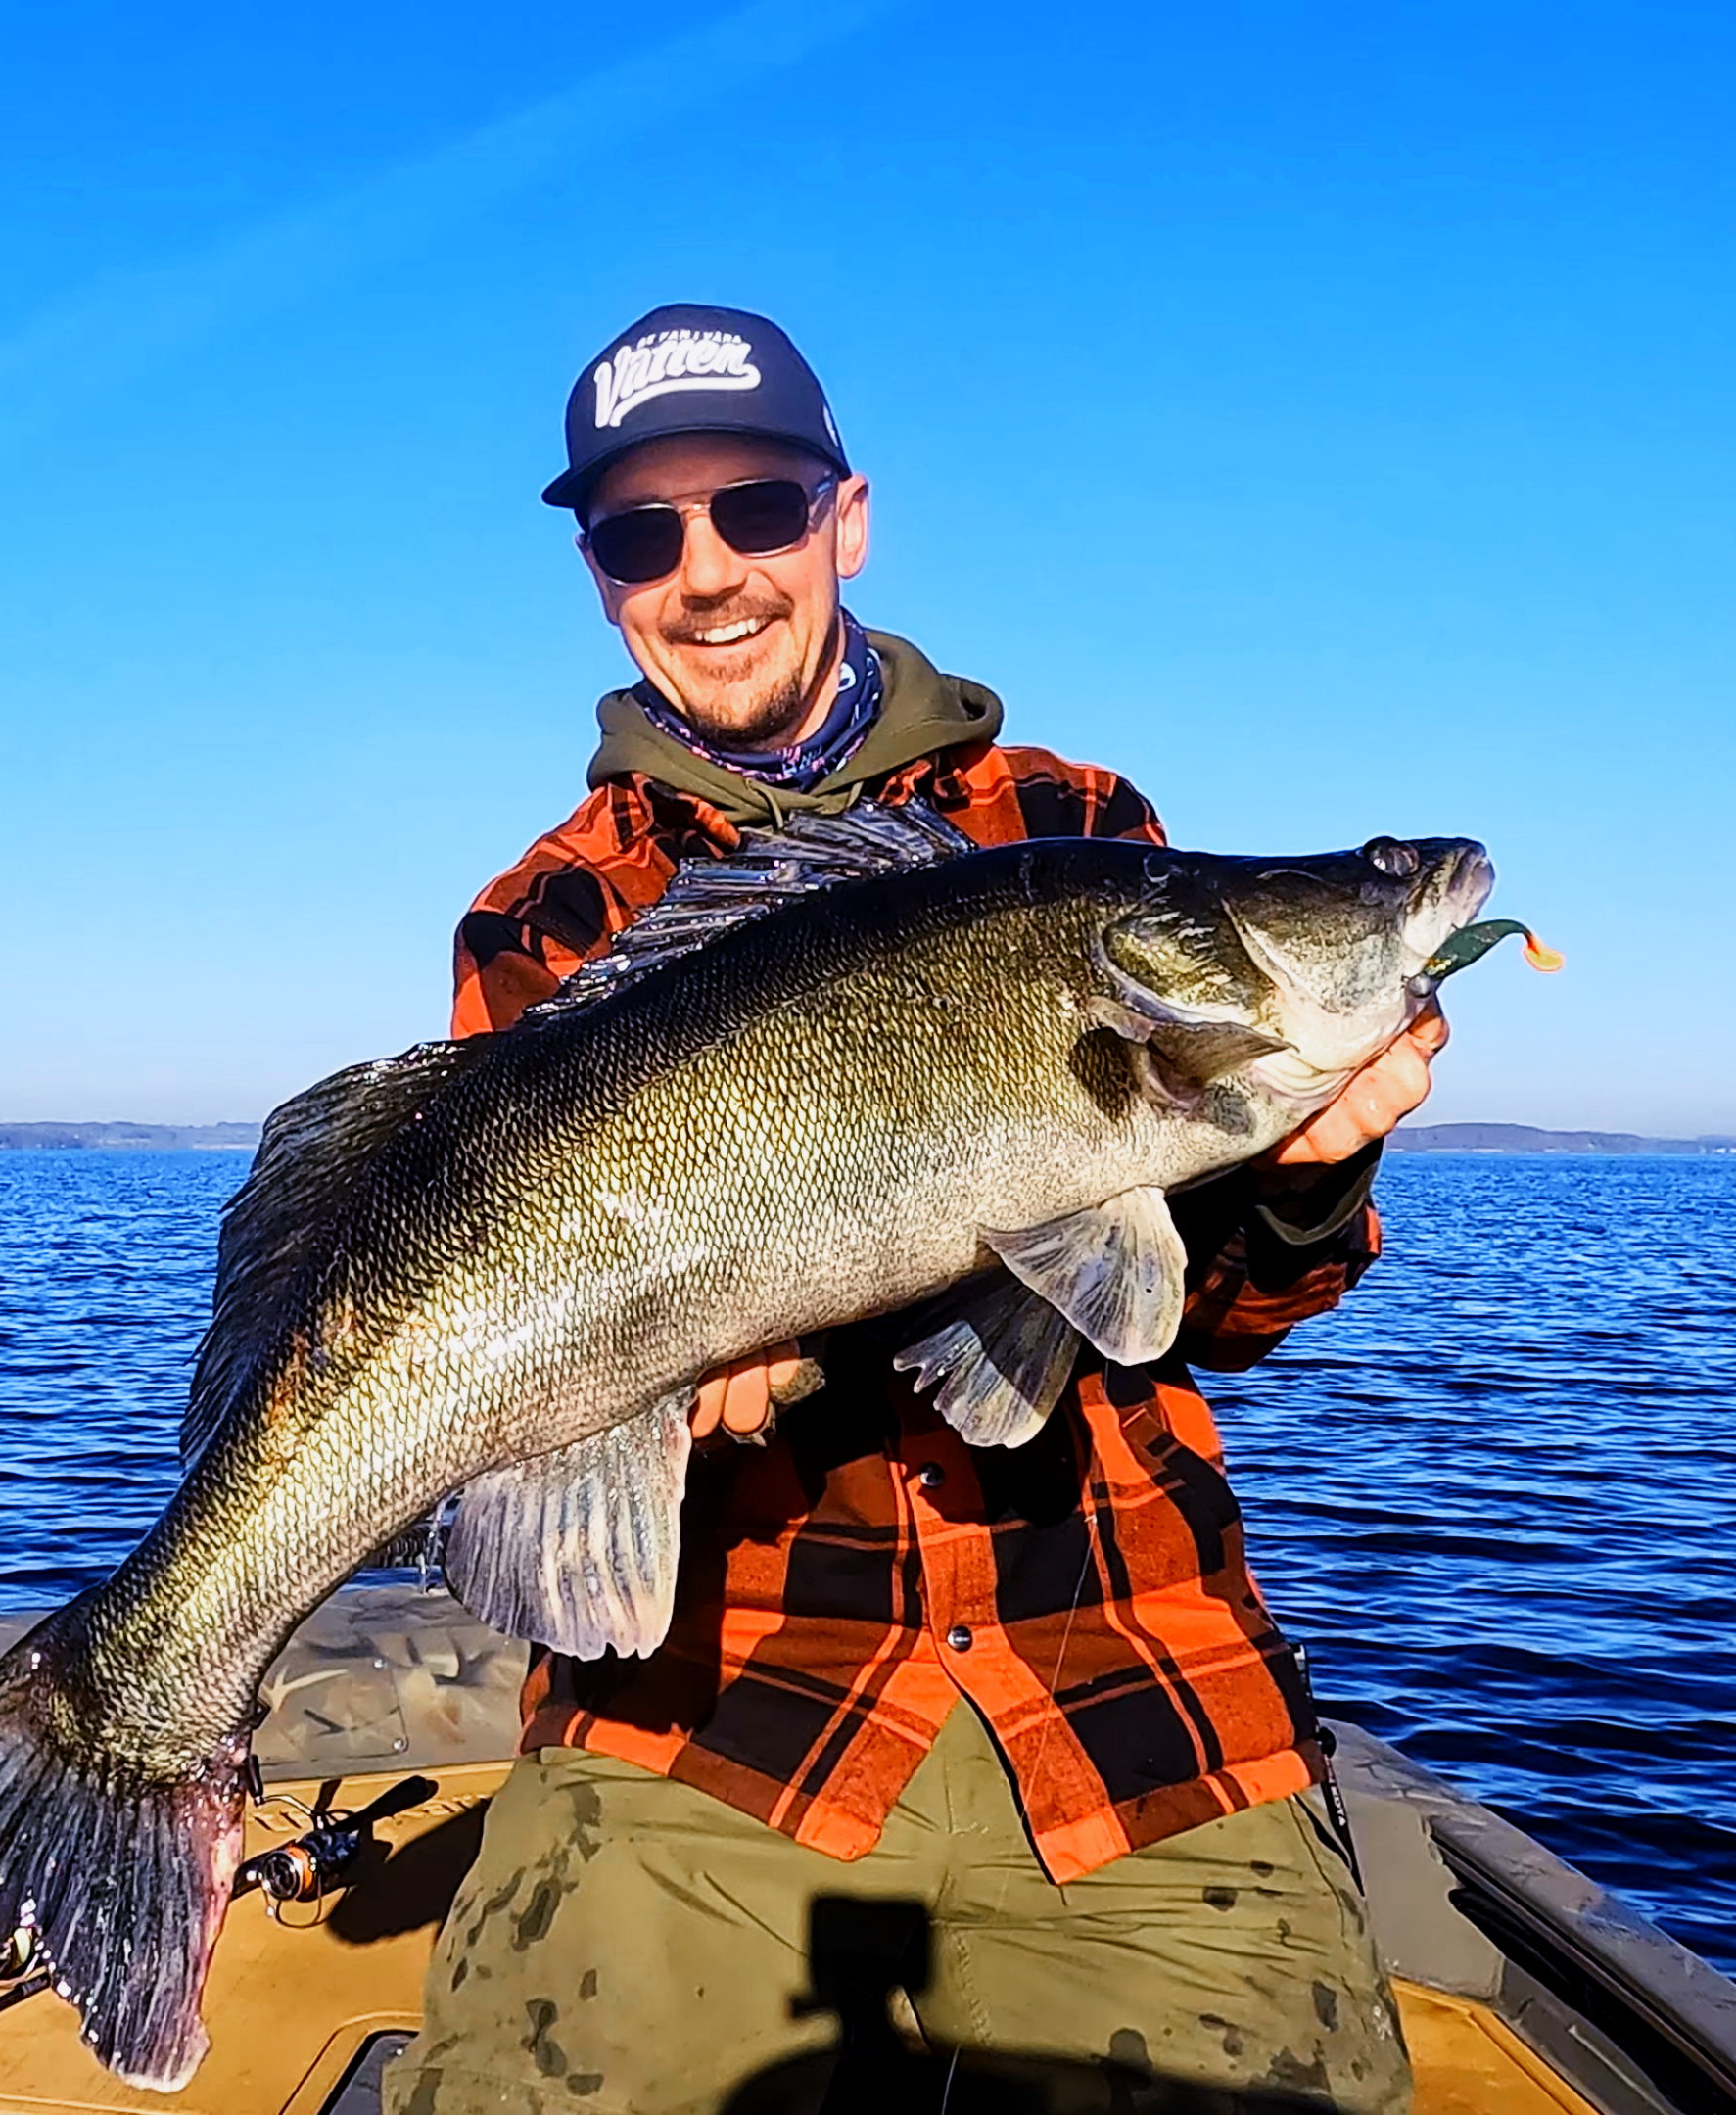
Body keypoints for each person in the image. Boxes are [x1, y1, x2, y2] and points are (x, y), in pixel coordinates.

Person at [385, 305, 1439, 2115]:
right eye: (641, 535)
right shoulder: (550, 912)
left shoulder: (1074, 824)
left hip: (1132, 1676)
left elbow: (1216, 1318)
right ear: (599, 576)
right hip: (714, 1707)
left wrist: (1308, 1174)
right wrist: (680, 1388)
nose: (707, 574)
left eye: (757, 510)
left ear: (847, 520)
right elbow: (506, 1318)